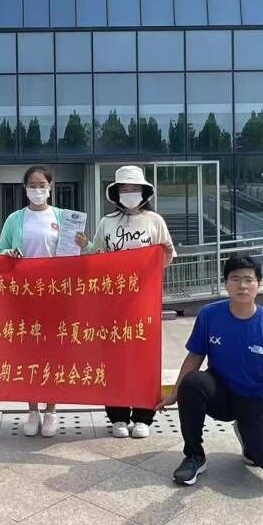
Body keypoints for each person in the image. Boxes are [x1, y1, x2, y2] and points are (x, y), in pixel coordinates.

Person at [157, 255, 263, 486]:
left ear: (259, 284)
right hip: (220, 394)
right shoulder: (209, 315)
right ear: (226, 283)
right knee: (192, 383)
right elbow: (194, 356)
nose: (242, 286)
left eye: (248, 280)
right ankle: (194, 456)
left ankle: (247, 435)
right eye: (235, 279)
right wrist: (174, 393)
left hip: (255, 398)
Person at [0, 165, 92, 438]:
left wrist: (84, 244)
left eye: (42, 185)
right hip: (25, 297)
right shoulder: (15, 219)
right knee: (28, 353)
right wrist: (8, 253)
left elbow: (87, 253)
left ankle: (51, 411)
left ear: (50, 187)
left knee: (53, 352)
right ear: (24, 188)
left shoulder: (64, 217)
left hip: (57, 297)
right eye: (32, 185)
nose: (37, 189)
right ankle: (32, 410)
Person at [78, 165, 173, 439]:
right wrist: (84, 245)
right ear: (116, 193)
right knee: (114, 360)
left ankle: (144, 416)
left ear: (144, 191)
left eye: (134, 188)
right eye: (124, 188)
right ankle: (118, 416)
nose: (129, 193)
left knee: (144, 359)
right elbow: (97, 255)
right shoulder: (107, 222)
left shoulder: (155, 221)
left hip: (144, 301)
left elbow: (164, 260)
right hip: (113, 301)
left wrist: (165, 252)